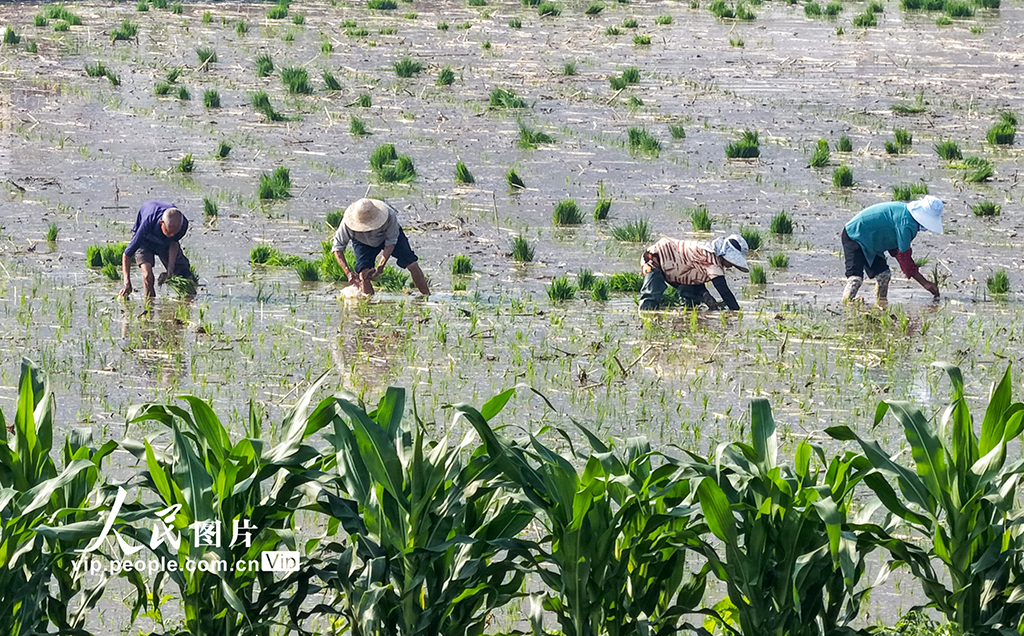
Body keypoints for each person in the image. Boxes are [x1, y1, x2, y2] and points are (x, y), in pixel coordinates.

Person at [841, 195, 942, 305]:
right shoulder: (906, 224)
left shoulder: (907, 217)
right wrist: (925, 283)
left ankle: (880, 305)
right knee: (855, 279)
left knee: (884, 275)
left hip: (873, 242)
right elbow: (905, 260)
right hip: (855, 235)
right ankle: (846, 307)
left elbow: (896, 250)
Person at [331, 198, 430, 296]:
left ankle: (426, 296)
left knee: (411, 263)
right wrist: (348, 272)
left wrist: (380, 266)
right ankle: (368, 303)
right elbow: (337, 248)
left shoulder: (389, 215)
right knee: (363, 273)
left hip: (388, 237)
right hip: (363, 242)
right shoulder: (348, 222)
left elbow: (391, 242)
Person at [638, 234, 749, 311]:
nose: (732, 265)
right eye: (732, 262)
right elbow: (724, 291)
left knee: (691, 300)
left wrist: (706, 296)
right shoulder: (711, 259)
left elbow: (693, 272)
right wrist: (736, 311)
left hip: (679, 270)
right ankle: (646, 316)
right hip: (655, 257)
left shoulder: (709, 254)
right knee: (652, 294)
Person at [119, 201, 193, 299]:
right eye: (169, 231)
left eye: (175, 233)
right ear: (161, 223)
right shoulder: (147, 224)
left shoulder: (182, 225)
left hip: (165, 243)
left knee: (183, 273)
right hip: (145, 241)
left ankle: (189, 300)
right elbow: (126, 255)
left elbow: (173, 243)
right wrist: (127, 282)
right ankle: (150, 305)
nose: (172, 235)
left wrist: (170, 269)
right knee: (148, 277)